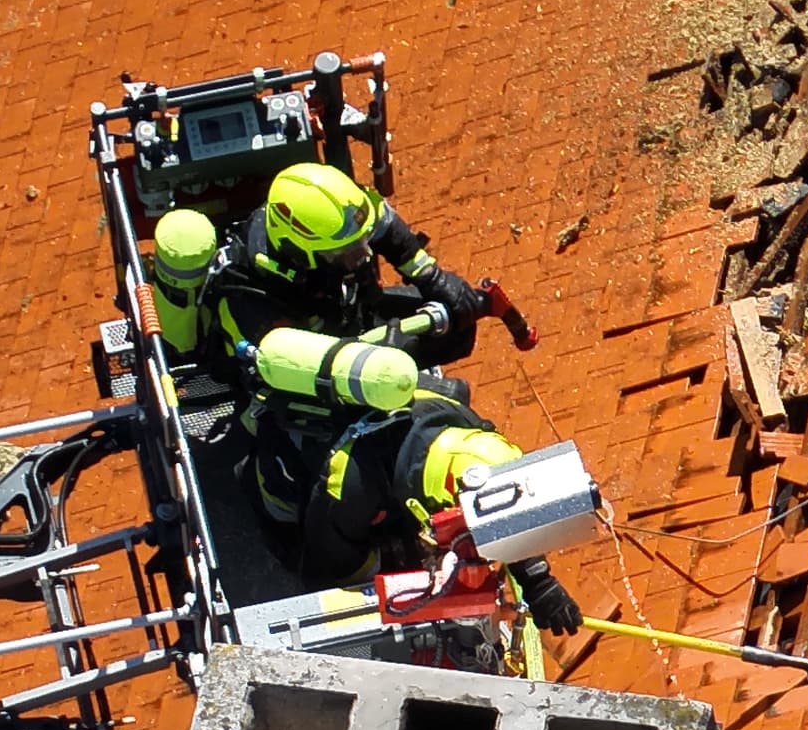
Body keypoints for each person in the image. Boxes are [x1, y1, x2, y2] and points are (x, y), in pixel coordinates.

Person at [266, 378, 580, 637]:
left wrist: (538, 582)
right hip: (299, 495)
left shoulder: (468, 435)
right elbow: (336, 568)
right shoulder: (349, 484)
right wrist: (392, 583)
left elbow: (502, 513)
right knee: (310, 559)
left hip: (385, 491)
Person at [184, 161, 486, 394]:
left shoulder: (332, 228)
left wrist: (432, 278)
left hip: (349, 320)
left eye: (363, 241)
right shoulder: (249, 301)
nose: (364, 255)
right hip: (302, 380)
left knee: (458, 325)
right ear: (299, 254)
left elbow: (384, 225)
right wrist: (376, 357)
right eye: (346, 252)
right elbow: (297, 376)